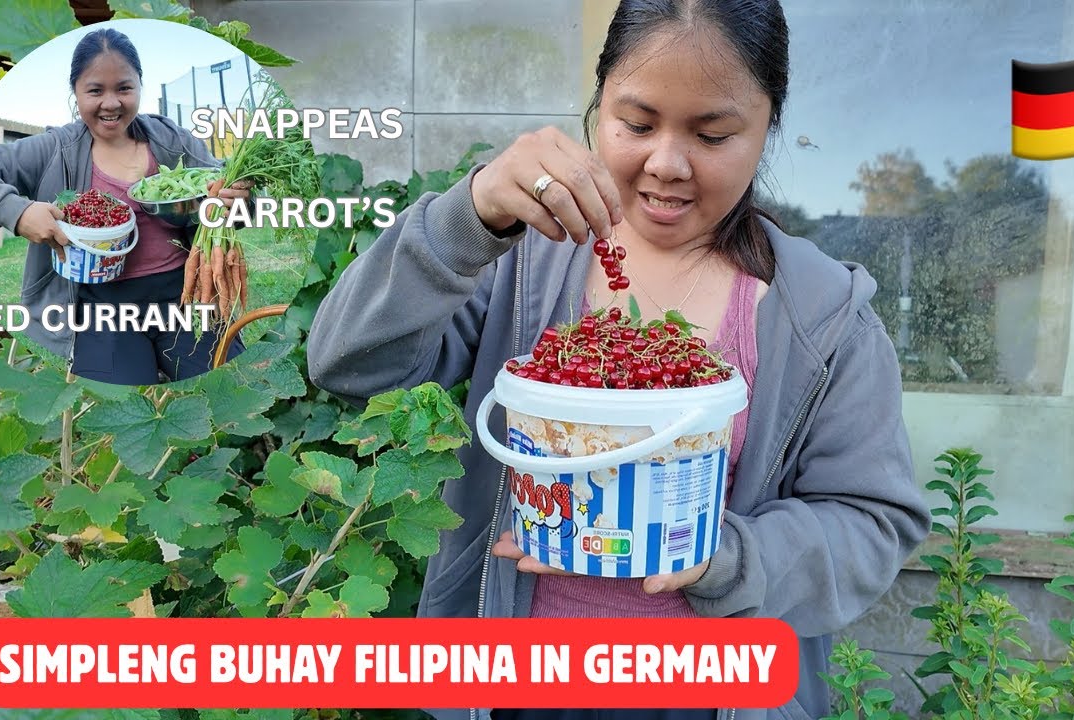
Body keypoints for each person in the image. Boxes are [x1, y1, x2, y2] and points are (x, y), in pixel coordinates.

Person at [308, 1, 931, 718]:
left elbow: (871, 522)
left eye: (713, 133)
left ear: (768, 128)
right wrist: (468, 218)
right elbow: (347, 363)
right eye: (636, 124)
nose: (666, 163)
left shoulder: (821, 315)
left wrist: (722, 557)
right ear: (598, 105)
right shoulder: (520, 264)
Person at [0, 27, 250, 385]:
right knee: (121, 405)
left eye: (124, 88)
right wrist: (16, 211)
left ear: (140, 86)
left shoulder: (171, 140)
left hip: (185, 294)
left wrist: (238, 201)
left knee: (227, 389)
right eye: (95, 90)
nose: (111, 103)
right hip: (101, 308)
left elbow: (231, 193)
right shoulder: (56, 148)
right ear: (76, 93)